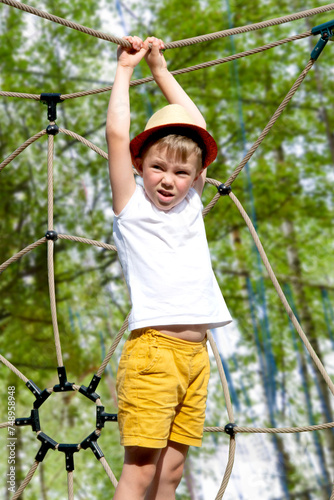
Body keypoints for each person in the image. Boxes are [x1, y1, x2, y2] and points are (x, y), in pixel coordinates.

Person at [106, 35, 232, 500]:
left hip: (196, 357)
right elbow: (118, 134)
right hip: (154, 354)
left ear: (197, 177)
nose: (169, 180)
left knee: (173, 473)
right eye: (158, 168)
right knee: (140, 472)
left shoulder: (191, 203)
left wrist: (161, 69)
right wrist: (127, 70)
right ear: (140, 165)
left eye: (182, 173)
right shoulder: (132, 206)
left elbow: (195, 125)